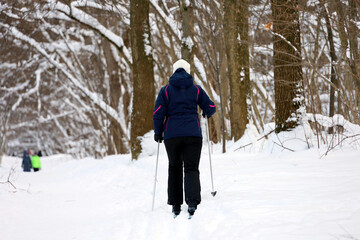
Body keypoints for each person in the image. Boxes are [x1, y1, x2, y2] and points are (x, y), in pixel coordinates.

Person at [153, 59, 216, 217]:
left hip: (172, 136)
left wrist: (158, 132)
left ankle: (175, 205)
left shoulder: (165, 91)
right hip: (193, 134)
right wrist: (205, 112)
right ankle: (192, 202)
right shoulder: (196, 89)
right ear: (188, 71)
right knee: (191, 168)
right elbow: (211, 107)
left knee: (174, 167)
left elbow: (158, 113)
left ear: (174, 70)